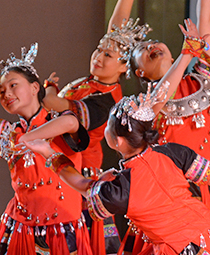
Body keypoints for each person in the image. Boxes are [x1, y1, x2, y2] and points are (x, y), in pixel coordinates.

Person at [24, 90, 210, 255]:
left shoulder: (120, 189)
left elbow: (80, 182)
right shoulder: (173, 153)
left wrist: (49, 153)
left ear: (118, 141)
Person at [0, 43, 93, 255]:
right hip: (22, 228)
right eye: (1, 91)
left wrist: (26, 138)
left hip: (61, 228)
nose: (6, 93)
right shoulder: (9, 133)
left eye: (13, 85)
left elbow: (71, 124)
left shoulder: (58, 122)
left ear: (34, 87)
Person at [129, 0, 210, 253]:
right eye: (142, 49)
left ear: (174, 55)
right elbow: (160, 97)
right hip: (176, 197)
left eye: (154, 43)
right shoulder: (143, 104)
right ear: (140, 73)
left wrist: (204, 7)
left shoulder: (204, 78)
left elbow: (205, 20)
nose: (151, 46)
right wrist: (188, 53)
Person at [39, 1, 142, 253]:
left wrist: (49, 88)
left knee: (71, 243)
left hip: (74, 174)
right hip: (56, 164)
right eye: (98, 50)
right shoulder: (92, 83)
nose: (98, 56)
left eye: (108, 55)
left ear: (123, 67)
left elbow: (51, 102)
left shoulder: (106, 101)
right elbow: (114, 31)